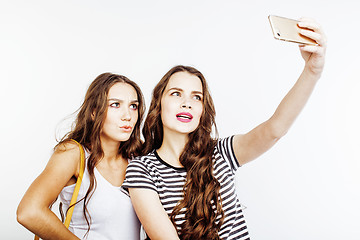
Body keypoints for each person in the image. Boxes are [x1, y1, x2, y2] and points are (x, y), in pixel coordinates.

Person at [122, 18, 327, 240]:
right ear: (158, 104)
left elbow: (274, 129)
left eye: (196, 97)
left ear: (202, 110)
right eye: (176, 93)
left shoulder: (221, 153)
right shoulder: (141, 171)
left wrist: (312, 71)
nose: (187, 103)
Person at [17, 73, 145, 240]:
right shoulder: (73, 153)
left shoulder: (138, 159)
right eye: (115, 105)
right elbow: (29, 212)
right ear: (93, 112)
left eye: (133, 106)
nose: (127, 115)